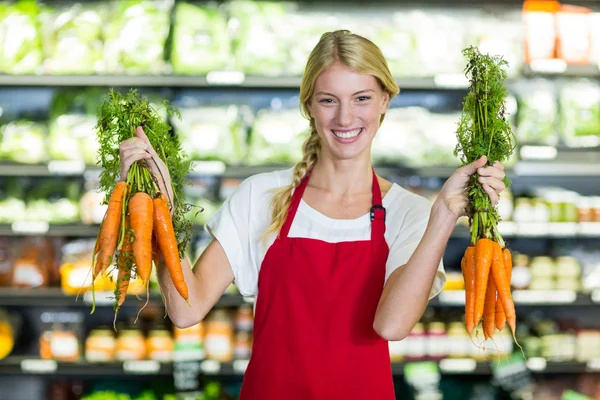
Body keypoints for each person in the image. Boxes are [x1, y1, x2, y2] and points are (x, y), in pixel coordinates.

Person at [120, 30, 506, 400]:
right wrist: (158, 211)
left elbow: (391, 325)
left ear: (385, 100)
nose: (344, 118)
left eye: (361, 98)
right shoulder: (261, 196)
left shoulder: (410, 212)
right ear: (308, 105)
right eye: (328, 100)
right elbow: (187, 309)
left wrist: (444, 214)